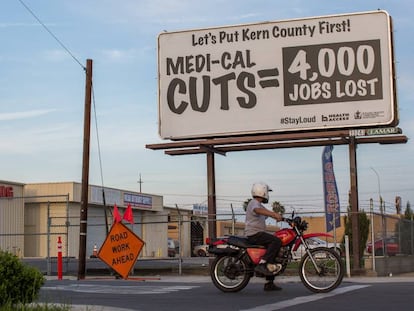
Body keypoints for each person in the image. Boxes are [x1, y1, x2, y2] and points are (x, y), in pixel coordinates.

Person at [245, 182, 283, 291]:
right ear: (262, 192)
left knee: (273, 253)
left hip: (258, 234)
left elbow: (262, 213)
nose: (268, 194)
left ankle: (269, 283)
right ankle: (262, 264)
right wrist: (273, 214)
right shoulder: (254, 203)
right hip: (254, 234)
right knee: (276, 241)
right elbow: (258, 210)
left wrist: (281, 218)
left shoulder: (259, 205)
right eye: (267, 192)